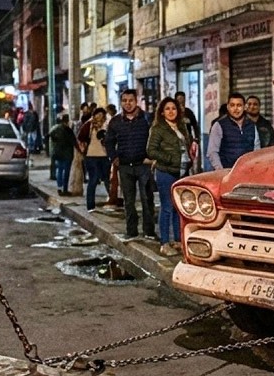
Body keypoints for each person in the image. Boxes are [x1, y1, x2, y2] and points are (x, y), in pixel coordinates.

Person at [147, 97, 194, 256]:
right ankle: (164, 242)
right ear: (162, 112)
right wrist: (170, 159)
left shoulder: (181, 126)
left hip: (181, 172)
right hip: (166, 172)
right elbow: (151, 151)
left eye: (173, 108)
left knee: (178, 208)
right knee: (166, 207)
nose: (171, 111)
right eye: (167, 109)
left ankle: (177, 241)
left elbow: (185, 146)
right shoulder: (158, 128)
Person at [107, 89, 156, 240]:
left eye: (131, 100)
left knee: (147, 199)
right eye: (124, 101)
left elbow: (154, 139)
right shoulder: (115, 122)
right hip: (124, 166)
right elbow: (109, 142)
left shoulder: (147, 119)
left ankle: (149, 231)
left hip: (143, 165)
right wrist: (114, 158)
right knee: (128, 201)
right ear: (121, 102)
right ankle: (131, 231)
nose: (127, 104)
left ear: (137, 101)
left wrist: (151, 158)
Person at [206, 92, 260, 171]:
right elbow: (212, 152)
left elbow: (257, 150)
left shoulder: (252, 126)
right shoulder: (219, 125)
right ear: (228, 107)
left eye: (239, 105)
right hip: (226, 173)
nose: (235, 109)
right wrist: (220, 171)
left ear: (245, 107)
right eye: (232, 105)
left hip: (247, 172)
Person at [77, 107, 110, 212]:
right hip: (91, 156)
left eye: (102, 115)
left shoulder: (108, 125)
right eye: (97, 114)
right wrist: (83, 149)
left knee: (108, 180)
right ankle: (90, 205)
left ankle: (113, 201)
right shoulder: (89, 125)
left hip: (105, 156)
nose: (99, 117)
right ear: (94, 115)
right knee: (93, 179)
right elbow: (80, 137)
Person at [48, 113, 76, 196]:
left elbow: (49, 135)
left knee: (59, 170)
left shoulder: (55, 128)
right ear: (67, 121)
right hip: (67, 153)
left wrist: (55, 143)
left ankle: (59, 187)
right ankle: (65, 189)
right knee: (66, 171)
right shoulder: (68, 130)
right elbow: (73, 141)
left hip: (58, 153)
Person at [175, 91, 200, 171]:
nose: (181, 101)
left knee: (189, 161)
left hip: (188, 140)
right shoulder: (173, 113)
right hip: (176, 141)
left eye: (183, 99)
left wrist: (196, 138)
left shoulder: (189, 112)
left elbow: (195, 126)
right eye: (179, 99)